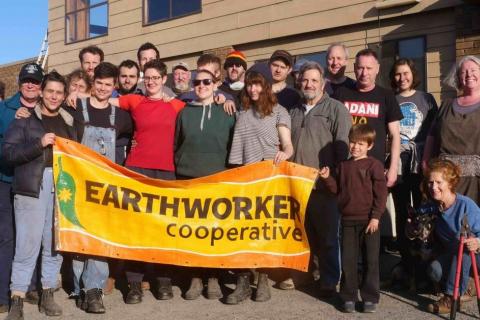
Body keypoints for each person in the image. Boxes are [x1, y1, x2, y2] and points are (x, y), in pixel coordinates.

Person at [107, 59, 185, 304]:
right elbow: (100, 101)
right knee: (136, 228)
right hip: (137, 170)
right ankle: (133, 283)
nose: (150, 82)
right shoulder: (135, 101)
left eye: (155, 78)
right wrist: (74, 95)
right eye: (147, 78)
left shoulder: (177, 106)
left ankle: (162, 280)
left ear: (164, 79)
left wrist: (222, 99)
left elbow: (203, 109)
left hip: (165, 172)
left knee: (162, 228)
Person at [2, 71, 79, 320]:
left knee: (54, 244)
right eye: (50, 91)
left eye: (59, 92)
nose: (54, 96)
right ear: (42, 92)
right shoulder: (23, 119)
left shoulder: (70, 121)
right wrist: (38, 144)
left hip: (62, 185)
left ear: (64, 95)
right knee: (27, 246)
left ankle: (47, 293)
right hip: (32, 188)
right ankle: (17, 298)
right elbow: (9, 155)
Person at [227, 70, 293, 304]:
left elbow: (288, 145)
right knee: (242, 232)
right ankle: (243, 282)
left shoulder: (279, 112)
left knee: (263, 230)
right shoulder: (241, 110)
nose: (253, 89)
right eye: (249, 85)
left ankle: (263, 279)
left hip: (267, 178)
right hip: (243, 177)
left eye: (257, 85)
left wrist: (285, 153)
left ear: (265, 86)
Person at [290, 61, 352, 293]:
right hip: (298, 186)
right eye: (305, 80)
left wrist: (333, 176)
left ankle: (329, 279)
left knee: (327, 237)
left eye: (314, 80)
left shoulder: (336, 109)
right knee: (304, 234)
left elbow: (343, 147)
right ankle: (306, 275)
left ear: (323, 83)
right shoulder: (293, 111)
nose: (309, 84)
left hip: (324, 185)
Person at [174, 69, 235, 300]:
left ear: (216, 84)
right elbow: (176, 144)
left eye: (206, 81)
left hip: (218, 180)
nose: (201, 86)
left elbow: (233, 146)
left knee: (214, 233)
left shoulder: (227, 111)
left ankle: (213, 278)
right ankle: (195, 278)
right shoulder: (184, 112)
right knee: (192, 233)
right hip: (188, 180)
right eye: (197, 82)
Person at [319, 124, 388, 313]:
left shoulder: (374, 165)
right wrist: (327, 178)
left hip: (369, 222)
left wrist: (375, 217)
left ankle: (369, 297)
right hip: (348, 221)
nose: (355, 147)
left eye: (360, 144)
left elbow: (381, 195)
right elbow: (337, 191)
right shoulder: (343, 166)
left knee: (371, 260)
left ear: (369, 146)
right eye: (352, 142)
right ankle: (348, 296)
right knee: (348, 261)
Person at [0, 63, 44, 313]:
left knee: (33, 237)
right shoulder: (4, 109)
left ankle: (31, 286)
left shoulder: (45, 110)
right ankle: (4, 295)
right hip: (6, 180)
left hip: (33, 184)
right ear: (19, 84)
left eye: (35, 81)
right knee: (7, 237)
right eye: (26, 80)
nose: (30, 85)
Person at [389, 58, 438, 273]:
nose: (402, 78)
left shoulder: (426, 99)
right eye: (398, 74)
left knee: (423, 211)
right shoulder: (389, 99)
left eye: (406, 73)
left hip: (421, 162)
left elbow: (435, 132)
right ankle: (405, 260)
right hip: (398, 163)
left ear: (413, 74)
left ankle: (424, 259)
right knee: (401, 210)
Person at [335, 48, 403, 188]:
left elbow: (395, 135)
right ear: (354, 68)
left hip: (373, 170)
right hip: (344, 168)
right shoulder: (340, 94)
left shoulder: (386, 96)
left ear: (377, 69)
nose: (364, 73)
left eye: (369, 68)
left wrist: (393, 168)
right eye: (360, 68)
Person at [423, 159, 480, 314]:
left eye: (438, 182)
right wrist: (411, 227)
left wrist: (478, 242)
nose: (433, 187)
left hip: (475, 254)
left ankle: (451, 297)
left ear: (450, 183)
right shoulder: (432, 205)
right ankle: (469, 284)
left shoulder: (466, 205)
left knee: (462, 237)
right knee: (434, 271)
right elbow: (416, 224)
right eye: (430, 182)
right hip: (454, 254)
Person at [423, 55, 480, 206]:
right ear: (458, 77)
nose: (469, 74)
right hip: (445, 182)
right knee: (447, 225)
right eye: (464, 71)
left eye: (473, 70)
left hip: (476, 183)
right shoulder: (446, 105)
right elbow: (432, 135)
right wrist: (425, 163)